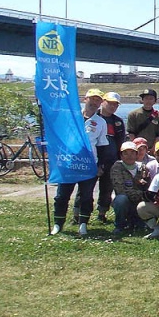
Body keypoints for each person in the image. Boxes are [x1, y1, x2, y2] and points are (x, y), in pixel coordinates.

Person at [51, 88, 110, 237]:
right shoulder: (71, 117)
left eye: (98, 100)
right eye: (93, 99)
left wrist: (100, 166)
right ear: (86, 99)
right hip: (69, 163)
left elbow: (102, 145)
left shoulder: (101, 122)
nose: (95, 102)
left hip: (89, 165)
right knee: (62, 195)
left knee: (86, 196)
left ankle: (83, 224)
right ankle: (58, 224)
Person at [95, 91, 126, 223]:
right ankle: (78, 213)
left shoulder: (118, 121)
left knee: (107, 188)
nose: (112, 107)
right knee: (85, 187)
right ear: (103, 102)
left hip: (111, 159)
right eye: (110, 103)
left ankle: (102, 213)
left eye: (115, 105)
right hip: (93, 159)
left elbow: (121, 142)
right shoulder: (93, 118)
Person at [109, 141, 151, 235]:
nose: (129, 156)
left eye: (132, 153)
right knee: (121, 199)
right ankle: (120, 225)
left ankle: (139, 222)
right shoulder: (117, 167)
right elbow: (121, 189)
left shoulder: (143, 167)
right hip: (125, 199)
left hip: (139, 200)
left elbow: (148, 187)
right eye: (126, 153)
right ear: (121, 155)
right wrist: (141, 194)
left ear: (137, 154)